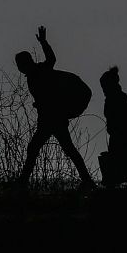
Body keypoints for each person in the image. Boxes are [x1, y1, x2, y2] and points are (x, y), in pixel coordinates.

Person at [16, 26, 96, 189]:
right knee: (67, 150)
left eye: (20, 63)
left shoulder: (40, 71)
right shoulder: (33, 76)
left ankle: (22, 183)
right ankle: (87, 181)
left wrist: (44, 42)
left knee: (35, 149)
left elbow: (51, 59)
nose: (19, 67)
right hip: (50, 119)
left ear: (25, 63)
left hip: (52, 119)